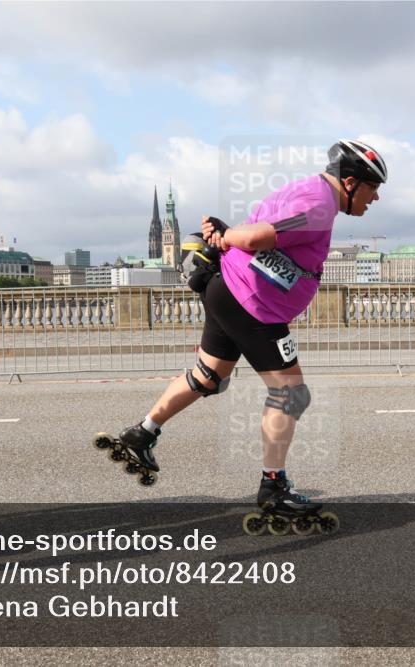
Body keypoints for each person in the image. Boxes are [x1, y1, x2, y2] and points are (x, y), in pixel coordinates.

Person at [107, 139, 386, 526]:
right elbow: (257, 238)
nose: (375, 199)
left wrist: (226, 233)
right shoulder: (319, 205)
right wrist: (229, 235)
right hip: (254, 306)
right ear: (352, 182)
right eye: (374, 190)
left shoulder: (302, 189)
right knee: (291, 394)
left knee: (208, 376)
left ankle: (142, 433)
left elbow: (257, 232)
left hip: (231, 290)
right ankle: (274, 487)